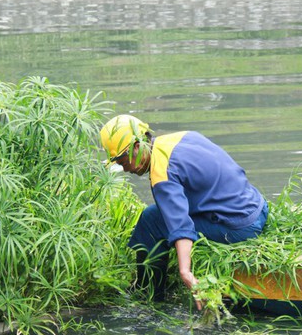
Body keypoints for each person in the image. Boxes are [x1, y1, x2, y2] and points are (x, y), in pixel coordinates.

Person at [100, 114, 268, 310]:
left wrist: (185, 271)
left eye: (121, 161)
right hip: (257, 206)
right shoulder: (182, 138)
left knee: (151, 223)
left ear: (136, 147)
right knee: (154, 215)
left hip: (241, 226)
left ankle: (149, 297)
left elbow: (181, 227)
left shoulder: (161, 174)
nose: (124, 169)